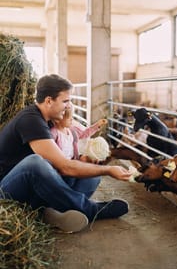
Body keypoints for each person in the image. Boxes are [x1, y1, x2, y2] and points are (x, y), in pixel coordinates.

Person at [0, 74, 131, 233]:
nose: (69, 106)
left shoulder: (49, 120)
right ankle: (90, 209)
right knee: (35, 163)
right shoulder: (30, 120)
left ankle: (52, 212)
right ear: (49, 101)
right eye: (65, 101)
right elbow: (65, 167)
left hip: (34, 189)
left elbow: (64, 159)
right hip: (8, 189)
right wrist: (109, 170)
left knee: (91, 175)